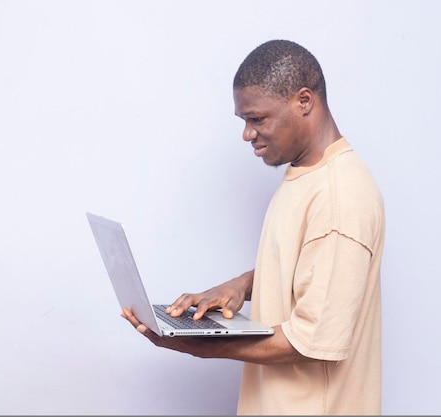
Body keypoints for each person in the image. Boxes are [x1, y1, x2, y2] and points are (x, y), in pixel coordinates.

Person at [122, 39, 385, 415]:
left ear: (305, 101)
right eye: (244, 121)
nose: (247, 134)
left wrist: (201, 345)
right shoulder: (308, 174)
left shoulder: (341, 195)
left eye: (257, 118)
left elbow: (312, 339)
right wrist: (243, 285)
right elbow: (316, 269)